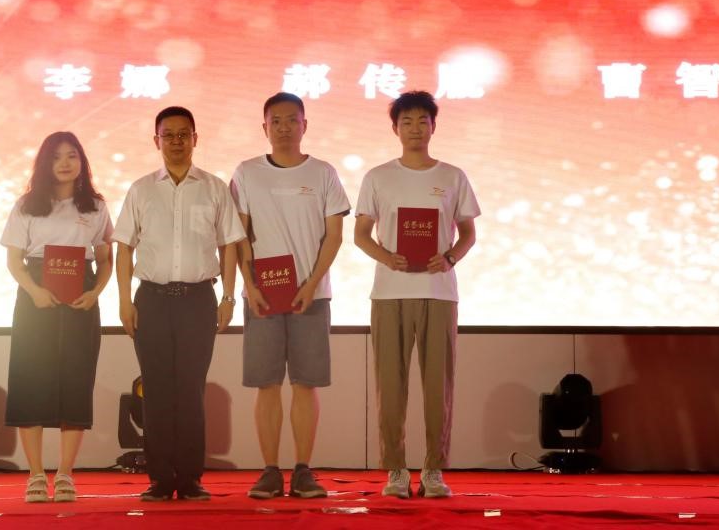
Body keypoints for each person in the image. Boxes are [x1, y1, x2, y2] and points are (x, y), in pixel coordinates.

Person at [114, 106, 244, 502]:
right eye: (167, 135)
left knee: (190, 390)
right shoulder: (141, 189)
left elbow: (229, 245)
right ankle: (159, 478)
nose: (176, 141)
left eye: (183, 134)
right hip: (150, 300)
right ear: (156, 141)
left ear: (195, 139)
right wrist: (124, 301)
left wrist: (228, 298)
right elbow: (124, 248)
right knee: (155, 390)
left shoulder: (214, 188)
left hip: (198, 299)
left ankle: (189, 478)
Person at [353, 90, 480, 499]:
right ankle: (395, 469)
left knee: (438, 386)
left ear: (433, 126)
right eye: (406, 121)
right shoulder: (378, 177)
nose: (414, 128)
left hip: (438, 292)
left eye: (422, 121)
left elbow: (468, 233)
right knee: (390, 386)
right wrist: (387, 258)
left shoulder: (452, 176)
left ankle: (433, 469)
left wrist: (450, 258)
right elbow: (360, 235)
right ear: (395, 128)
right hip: (389, 293)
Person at [231, 92, 350, 499]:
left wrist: (312, 283)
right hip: (262, 296)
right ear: (264, 127)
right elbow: (239, 235)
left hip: (312, 296)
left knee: (305, 383)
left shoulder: (323, 173)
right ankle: (269, 471)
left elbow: (334, 236)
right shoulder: (247, 172)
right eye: (276, 121)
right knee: (266, 384)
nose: (284, 128)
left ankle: (302, 470)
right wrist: (249, 285)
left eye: (291, 120)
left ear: (305, 125)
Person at [1, 131, 113, 504]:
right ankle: (35, 474)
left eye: (72, 156)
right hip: (35, 297)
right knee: (30, 381)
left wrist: (95, 293)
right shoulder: (27, 205)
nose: (65, 163)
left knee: (76, 382)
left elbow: (105, 260)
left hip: (80, 297)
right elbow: (14, 261)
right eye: (56, 156)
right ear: (44, 163)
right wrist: (34, 291)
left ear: (82, 162)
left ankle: (65, 474)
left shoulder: (95, 207)